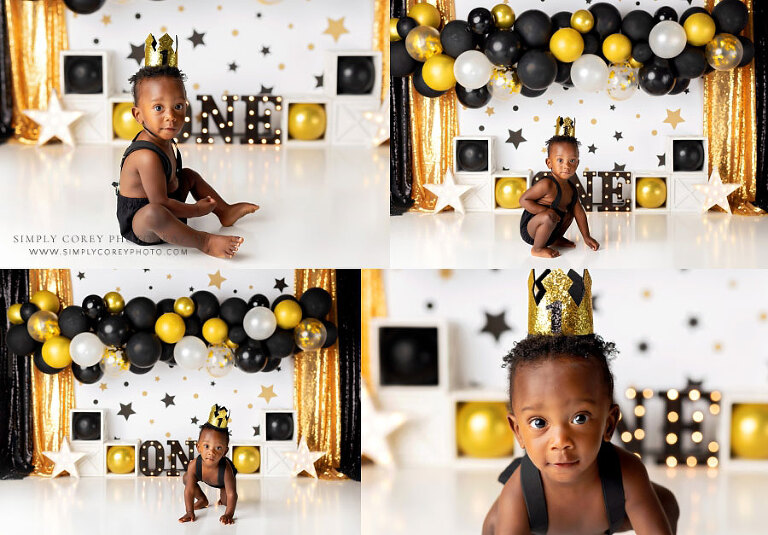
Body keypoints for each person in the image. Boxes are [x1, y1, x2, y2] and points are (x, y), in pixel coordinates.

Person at [482, 335, 679, 535]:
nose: (560, 442)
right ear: (518, 431)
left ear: (609, 424)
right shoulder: (519, 492)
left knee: (665, 501)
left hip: (604, 521)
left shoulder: (627, 473)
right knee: (494, 522)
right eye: (539, 422)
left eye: (580, 419)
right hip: (538, 528)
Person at [117, 34, 257, 258]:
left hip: (169, 209)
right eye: (158, 108)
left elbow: (172, 183)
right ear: (138, 114)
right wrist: (196, 210)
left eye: (178, 106)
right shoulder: (146, 156)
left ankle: (225, 211)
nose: (171, 116)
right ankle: (205, 242)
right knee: (154, 213)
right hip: (143, 224)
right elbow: (159, 202)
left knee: (188, 175)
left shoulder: (163, 141)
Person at [519, 118, 599, 258]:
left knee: (570, 212)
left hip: (550, 228)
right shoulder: (547, 184)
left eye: (572, 160)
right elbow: (524, 200)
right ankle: (537, 249)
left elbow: (580, 213)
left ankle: (554, 238)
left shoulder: (571, 189)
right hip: (532, 230)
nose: (566, 166)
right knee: (549, 216)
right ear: (549, 163)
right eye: (560, 160)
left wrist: (586, 236)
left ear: (577, 163)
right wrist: (545, 210)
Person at [179, 404, 238, 525]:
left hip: (221, 482)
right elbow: (189, 490)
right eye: (206, 446)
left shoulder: (226, 470)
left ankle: (222, 496)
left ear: (225, 452)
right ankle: (202, 499)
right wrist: (189, 511)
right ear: (198, 447)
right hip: (203, 475)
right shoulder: (194, 465)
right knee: (186, 478)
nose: (211, 452)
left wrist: (228, 514)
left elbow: (232, 494)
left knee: (226, 501)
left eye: (218, 447)